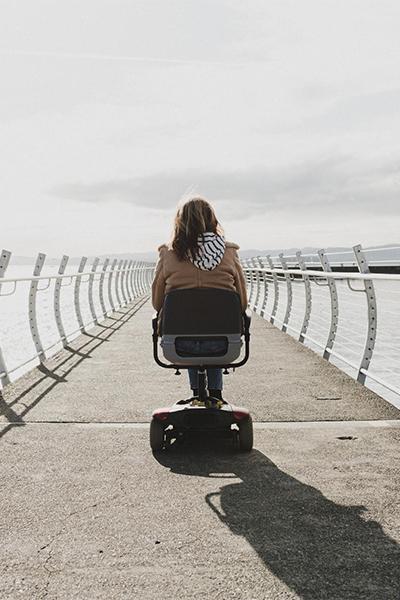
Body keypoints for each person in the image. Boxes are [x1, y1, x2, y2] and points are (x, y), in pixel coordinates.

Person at [151, 197, 248, 400]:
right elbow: (242, 303)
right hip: (225, 344)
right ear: (212, 220)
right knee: (214, 329)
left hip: (177, 345)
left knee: (187, 327)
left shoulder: (168, 254)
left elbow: (157, 303)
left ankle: (197, 394)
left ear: (180, 222)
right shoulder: (229, 253)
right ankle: (216, 395)